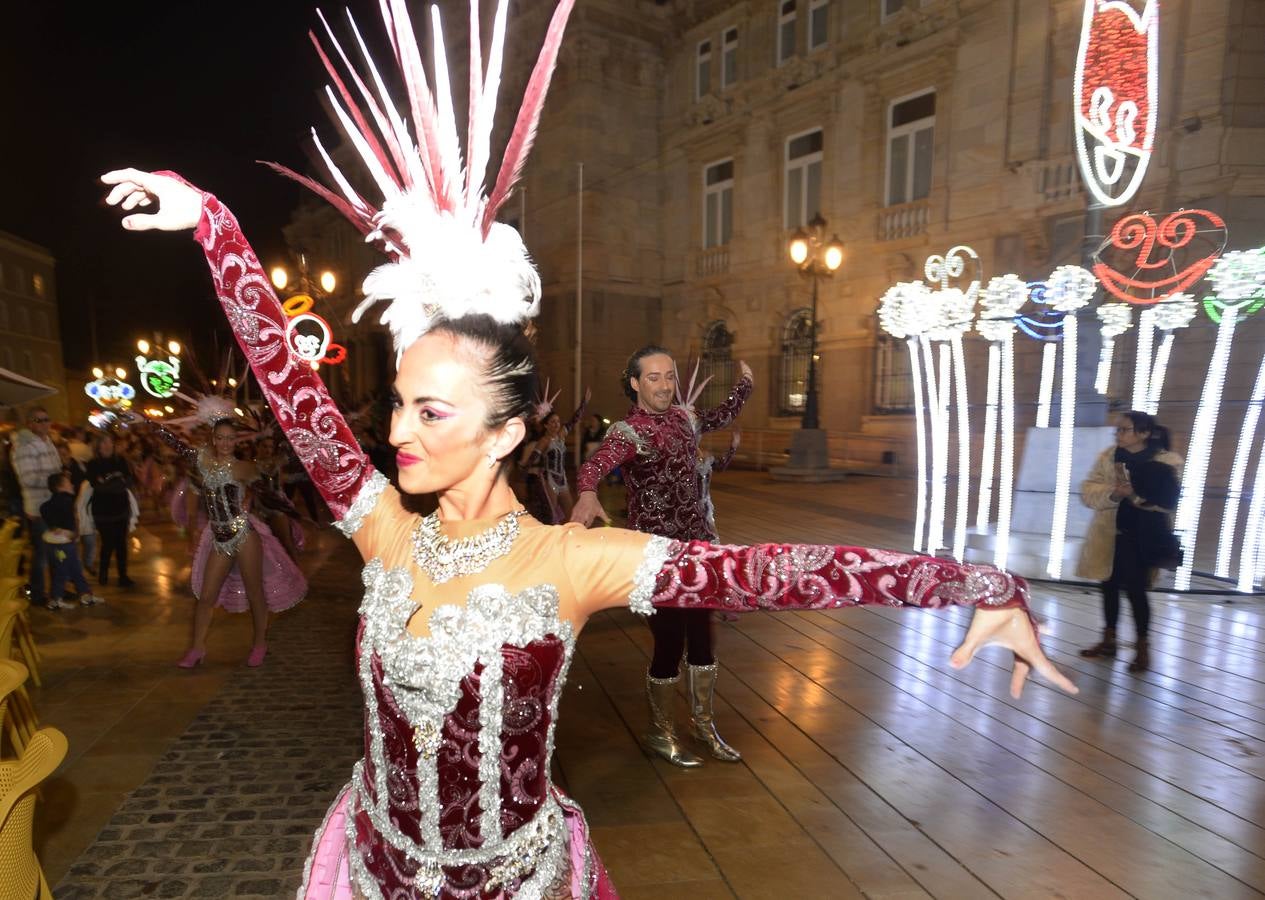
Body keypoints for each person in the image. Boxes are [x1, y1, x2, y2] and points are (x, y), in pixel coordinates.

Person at [98, 5, 1073, 893]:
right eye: (398, 404)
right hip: (366, 869)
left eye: (430, 411)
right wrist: (215, 227)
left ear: (506, 430)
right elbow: (288, 385)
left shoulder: (572, 563)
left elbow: (777, 571)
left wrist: (975, 585)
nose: (393, 431)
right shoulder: (381, 528)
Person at [571, 347, 752, 766]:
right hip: (657, 557)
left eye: (669, 376)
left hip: (699, 549)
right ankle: (661, 730)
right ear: (635, 383)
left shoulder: (684, 419)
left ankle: (703, 727)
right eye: (653, 378)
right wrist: (586, 491)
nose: (665, 385)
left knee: (704, 641)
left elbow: (719, 415)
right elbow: (595, 465)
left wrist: (745, 385)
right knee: (669, 643)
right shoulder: (628, 432)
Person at [151, 407, 308, 668]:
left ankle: (259, 643)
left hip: (244, 535)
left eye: (229, 438)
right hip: (219, 537)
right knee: (207, 596)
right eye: (220, 438)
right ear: (214, 439)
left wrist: (290, 514)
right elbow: (175, 443)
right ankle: (197, 648)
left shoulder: (245, 468)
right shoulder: (202, 462)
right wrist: (147, 421)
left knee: (255, 592)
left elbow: (268, 494)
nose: (224, 443)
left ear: (236, 441)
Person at [1077, 410, 1183, 672]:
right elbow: (1089, 490)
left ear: (1144, 433)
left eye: (1125, 430)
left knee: (1136, 591)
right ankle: (1109, 639)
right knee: (1109, 586)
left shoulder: (1167, 461)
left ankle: (1142, 648)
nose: (1119, 435)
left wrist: (1135, 495)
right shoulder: (1108, 456)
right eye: (1118, 430)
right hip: (1110, 533)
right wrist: (1114, 493)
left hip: (1143, 534)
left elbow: (1167, 502)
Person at [11, 407, 63, 606]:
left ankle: (58, 588)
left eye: (46, 419)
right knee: (41, 553)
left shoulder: (47, 441)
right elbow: (28, 478)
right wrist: (55, 481)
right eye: (39, 420)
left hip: (53, 503)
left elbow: (56, 467)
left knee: (57, 550)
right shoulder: (24, 446)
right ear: (29, 423)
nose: (44, 423)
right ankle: (38, 593)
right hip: (39, 506)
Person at [520, 389, 588, 524]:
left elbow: (574, 420)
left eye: (558, 421)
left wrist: (584, 403)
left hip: (562, 480)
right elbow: (531, 460)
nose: (557, 424)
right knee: (550, 517)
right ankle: (551, 541)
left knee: (571, 515)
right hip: (549, 481)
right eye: (552, 422)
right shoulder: (544, 441)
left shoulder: (562, 434)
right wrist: (524, 477)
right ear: (545, 425)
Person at [39, 472, 105, 610]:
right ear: (60, 486)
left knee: (75, 569)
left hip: (55, 543)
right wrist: (72, 533)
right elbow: (71, 525)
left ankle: (85, 595)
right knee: (62, 571)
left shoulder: (47, 505)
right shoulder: (67, 502)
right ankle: (55, 600)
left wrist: (54, 527)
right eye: (68, 482)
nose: (72, 484)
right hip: (63, 545)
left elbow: (43, 510)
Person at [85, 433, 136, 588]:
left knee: (121, 543)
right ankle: (103, 573)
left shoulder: (120, 461)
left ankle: (123, 575)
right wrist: (115, 483)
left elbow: (128, 481)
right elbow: (97, 485)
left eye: (110, 442)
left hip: (120, 508)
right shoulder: (93, 464)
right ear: (98, 446)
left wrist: (108, 483)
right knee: (107, 543)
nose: (107, 445)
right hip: (102, 511)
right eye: (104, 442)